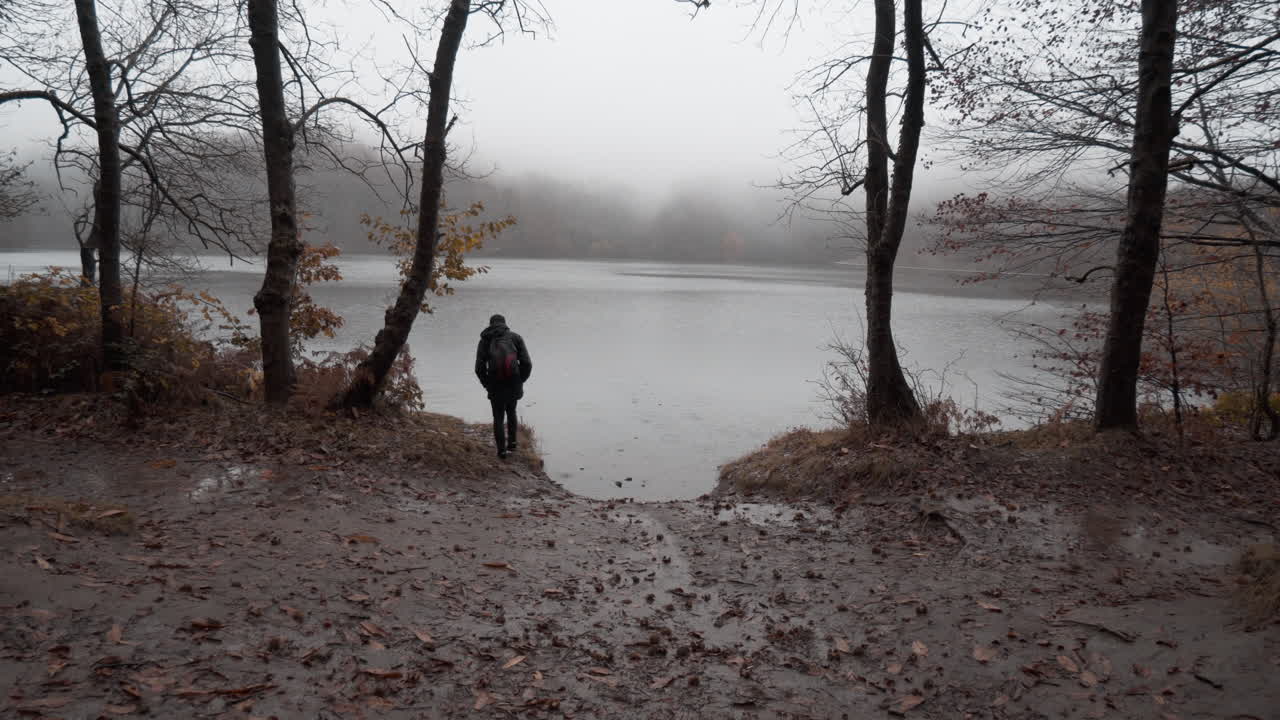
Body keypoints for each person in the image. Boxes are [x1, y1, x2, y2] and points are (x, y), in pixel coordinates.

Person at [474, 314, 532, 458]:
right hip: (513, 382)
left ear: (491, 324)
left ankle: (501, 451)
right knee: (511, 411)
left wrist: (487, 384)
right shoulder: (516, 338)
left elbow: (479, 368)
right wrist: (520, 380)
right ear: (505, 324)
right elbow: (527, 363)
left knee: (498, 416)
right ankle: (512, 444)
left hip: (495, 383)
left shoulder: (485, 340)